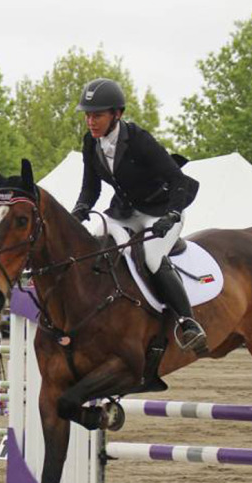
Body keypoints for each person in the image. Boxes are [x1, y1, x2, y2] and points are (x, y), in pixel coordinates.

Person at [71, 78, 207, 352]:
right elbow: (91, 186)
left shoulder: (139, 140)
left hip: (162, 210)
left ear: (117, 114)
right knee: (95, 243)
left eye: (97, 115)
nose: (91, 121)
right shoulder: (91, 143)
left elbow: (177, 179)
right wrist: (80, 209)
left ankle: (187, 322)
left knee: (152, 256)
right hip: (126, 211)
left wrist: (172, 214)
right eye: (88, 115)